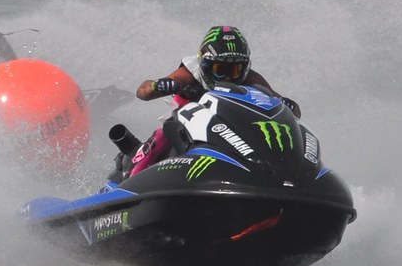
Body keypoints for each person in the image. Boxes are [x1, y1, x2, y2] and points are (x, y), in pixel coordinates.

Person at [124, 25, 300, 179]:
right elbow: (143, 92)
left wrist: (287, 104)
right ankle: (130, 181)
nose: (227, 77)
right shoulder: (189, 73)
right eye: (219, 69)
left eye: (234, 69)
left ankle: (276, 174)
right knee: (162, 136)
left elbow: (291, 110)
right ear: (205, 64)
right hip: (185, 124)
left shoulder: (252, 79)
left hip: (229, 127)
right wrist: (158, 85)